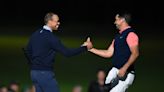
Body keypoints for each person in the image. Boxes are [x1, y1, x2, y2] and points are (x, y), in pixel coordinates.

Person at [24, 12, 93, 92]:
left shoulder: (35, 34)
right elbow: (67, 53)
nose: (59, 23)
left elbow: (28, 50)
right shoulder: (51, 38)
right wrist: (84, 47)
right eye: (57, 21)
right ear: (50, 21)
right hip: (45, 74)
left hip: (34, 73)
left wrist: (34, 65)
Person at [87, 13, 139, 92]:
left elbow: (135, 53)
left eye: (116, 19)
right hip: (114, 71)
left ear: (122, 20)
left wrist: (124, 68)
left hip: (126, 73)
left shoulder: (131, 35)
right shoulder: (117, 37)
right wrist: (91, 49)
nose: (115, 22)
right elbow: (108, 53)